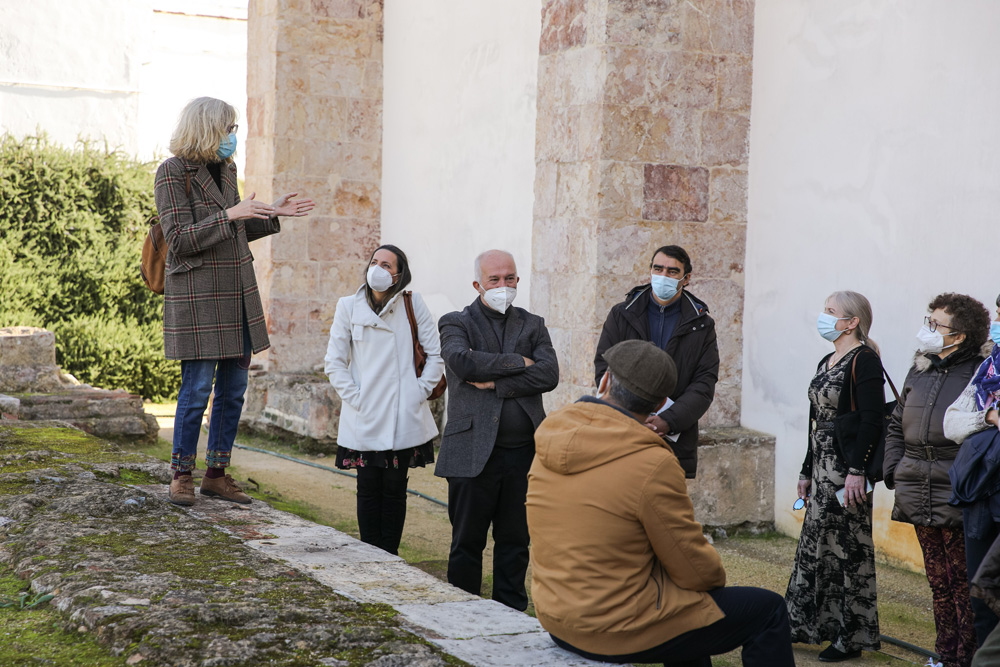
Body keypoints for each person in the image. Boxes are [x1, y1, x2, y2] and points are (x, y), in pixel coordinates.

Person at [527, 339, 794, 667]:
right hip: (611, 629)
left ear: (605, 381)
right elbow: (695, 571)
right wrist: (710, 576)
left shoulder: (551, 434)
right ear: (658, 406)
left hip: (555, 615)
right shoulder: (651, 461)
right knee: (767, 610)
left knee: (685, 612)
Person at [154, 97, 314, 507]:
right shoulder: (172, 172)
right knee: (196, 390)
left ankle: (217, 474)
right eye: (228, 128)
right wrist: (231, 214)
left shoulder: (226, 169)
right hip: (199, 299)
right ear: (207, 128)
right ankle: (181, 473)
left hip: (238, 293)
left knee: (234, 389)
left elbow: (234, 231)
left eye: (235, 128)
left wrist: (271, 214)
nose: (233, 136)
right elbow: (180, 240)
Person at [434, 249, 558, 610]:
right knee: (467, 543)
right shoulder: (455, 322)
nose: (503, 285)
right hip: (471, 453)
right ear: (478, 284)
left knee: (515, 543)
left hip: (524, 455)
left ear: (517, 281)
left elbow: (549, 375)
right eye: (494, 279)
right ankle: (464, 614)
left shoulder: (533, 324)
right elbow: (462, 362)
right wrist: (519, 362)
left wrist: (498, 383)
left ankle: (511, 616)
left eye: (509, 278)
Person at [883, 293, 990, 667]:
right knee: (937, 581)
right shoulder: (920, 369)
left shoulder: (980, 370)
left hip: (956, 485)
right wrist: (894, 467)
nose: (927, 329)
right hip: (915, 480)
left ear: (958, 335)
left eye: (935, 324)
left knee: (963, 584)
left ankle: (967, 658)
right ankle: (944, 655)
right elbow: (897, 421)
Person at [324, 245, 444, 555]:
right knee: (367, 488)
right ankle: (369, 555)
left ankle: (390, 555)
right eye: (375, 262)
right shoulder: (348, 306)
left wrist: (417, 392)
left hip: (402, 414)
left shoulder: (412, 304)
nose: (378, 268)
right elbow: (334, 362)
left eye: (387, 264)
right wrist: (357, 398)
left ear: (398, 275)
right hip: (364, 413)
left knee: (394, 490)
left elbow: (435, 355)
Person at [786, 290, 884, 662]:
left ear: (852, 321)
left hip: (847, 472)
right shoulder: (827, 359)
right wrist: (805, 469)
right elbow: (818, 422)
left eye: (831, 312)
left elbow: (871, 420)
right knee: (815, 546)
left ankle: (851, 636)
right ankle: (803, 623)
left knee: (847, 548)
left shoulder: (865, 360)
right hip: (822, 467)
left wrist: (857, 471)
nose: (824, 317)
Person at [594, 245, 719, 478]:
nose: (663, 276)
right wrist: (632, 417)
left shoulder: (702, 325)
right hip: (623, 433)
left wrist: (667, 421)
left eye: (672, 271)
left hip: (673, 439)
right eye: (658, 268)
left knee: (664, 508)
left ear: (686, 278)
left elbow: (704, 384)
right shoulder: (622, 314)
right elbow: (605, 367)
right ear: (650, 270)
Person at [945, 293, 1000, 647]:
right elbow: (951, 423)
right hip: (981, 493)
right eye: (998, 313)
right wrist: (990, 416)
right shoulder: (988, 368)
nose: (998, 321)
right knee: (981, 595)